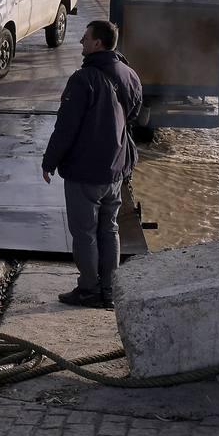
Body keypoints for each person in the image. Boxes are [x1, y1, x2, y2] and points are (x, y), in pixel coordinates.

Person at [41, 19, 143, 309]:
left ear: (98, 42)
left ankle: (88, 289)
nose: (81, 42)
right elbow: (134, 112)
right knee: (109, 228)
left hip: (85, 171)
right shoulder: (130, 74)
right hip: (115, 168)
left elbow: (66, 127)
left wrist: (50, 161)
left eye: (85, 38)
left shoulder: (83, 79)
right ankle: (109, 289)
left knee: (85, 232)